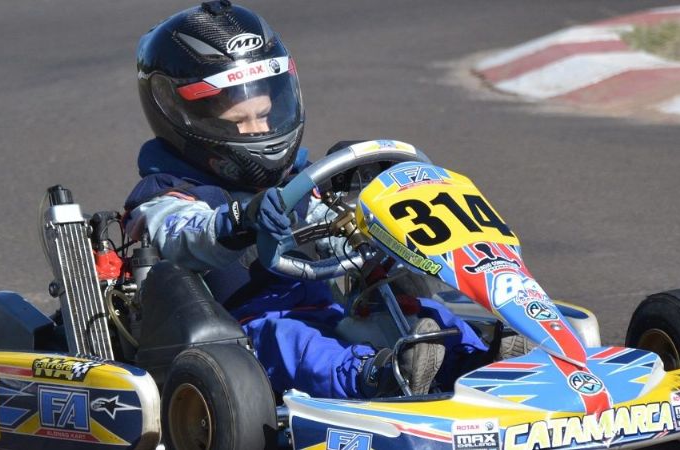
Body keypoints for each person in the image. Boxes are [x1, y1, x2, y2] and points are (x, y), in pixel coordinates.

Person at [125, 0, 487, 399]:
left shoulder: (296, 181)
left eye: (264, 115)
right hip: (242, 335)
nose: (259, 129)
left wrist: (373, 216)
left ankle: (481, 362)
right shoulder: (166, 194)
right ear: (184, 118)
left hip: (330, 314)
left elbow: (333, 229)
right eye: (239, 122)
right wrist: (237, 221)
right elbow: (179, 233)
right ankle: (373, 379)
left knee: (414, 311)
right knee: (293, 339)